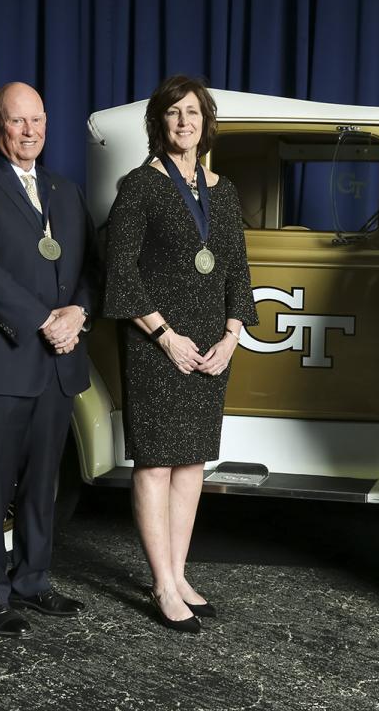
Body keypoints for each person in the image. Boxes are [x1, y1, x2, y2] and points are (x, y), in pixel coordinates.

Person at [103, 75, 257, 634]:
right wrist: (166, 336)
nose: (183, 122)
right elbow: (119, 274)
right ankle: (163, 584)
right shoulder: (139, 186)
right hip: (158, 346)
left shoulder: (224, 190)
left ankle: (179, 571)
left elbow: (238, 271)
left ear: (205, 121)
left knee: (192, 462)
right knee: (156, 463)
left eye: (192, 112)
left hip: (210, 349)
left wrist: (231, 337)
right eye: (172, 113)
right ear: (159, 123)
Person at [0, 82, 96, 637]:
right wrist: (44, 321)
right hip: (4, 356)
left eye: (38, 121)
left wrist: (78, 311)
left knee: (42, 482)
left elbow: (88, 270)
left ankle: (32, 580)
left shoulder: (67, 190)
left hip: (59, 362)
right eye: (17, 122)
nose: (30, 132)